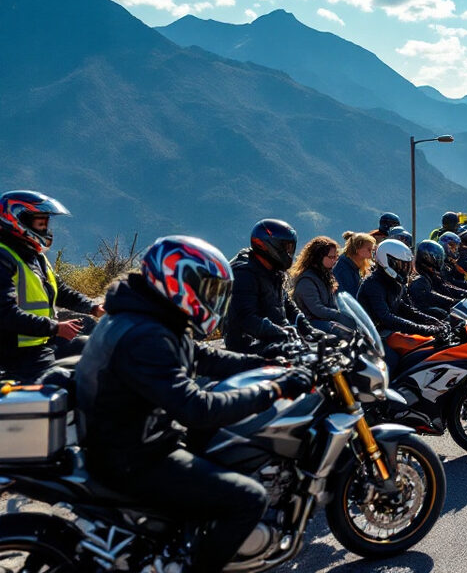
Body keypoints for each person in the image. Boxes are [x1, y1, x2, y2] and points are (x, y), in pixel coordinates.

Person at [76, 236, 312, 573]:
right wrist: (275, 389)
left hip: (130, 437)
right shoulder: (147, 334)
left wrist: (263, 363)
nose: (211, 299)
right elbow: (198, 409)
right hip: (134, 456)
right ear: (177, 282)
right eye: (206, 289)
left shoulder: (148, 316)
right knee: (249, 498)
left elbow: (201, 356)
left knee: (224, 449)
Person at [0, 190, 104, 382]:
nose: (45, 229)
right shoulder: (4, 258)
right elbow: (5, 313)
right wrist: (55, 327)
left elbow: (61, 291)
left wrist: (94, 307)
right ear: (17, 220)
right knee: (78, 382)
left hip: (41, 345)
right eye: (41, 224)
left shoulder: (34, 256)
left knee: (92, 348)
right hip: (16, 356)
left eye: (46, 224)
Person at [223, 219, 312, 357]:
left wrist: (307, 328)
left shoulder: (272, 270)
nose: (288, 252)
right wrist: (281, 332)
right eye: (285, 247)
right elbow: (247, 318)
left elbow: (287, 304)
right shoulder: (244, 273)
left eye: (290, 247)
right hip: (249, 347)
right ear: (266, 245)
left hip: (276, 340)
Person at [356, 240, 444, 359]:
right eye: (402, 265)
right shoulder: (373, 284)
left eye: (407, 265)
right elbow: (386, 317)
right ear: (388, 261)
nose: (405, 269)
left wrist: (431, 320)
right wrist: (424, 329)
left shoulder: (394, 281)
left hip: (389, 332)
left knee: (427, 346)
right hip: (372, 336)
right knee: (395, 360)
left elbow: (404, 307)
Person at [289, 236, 356, 335]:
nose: (334, 260)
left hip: (324, 321)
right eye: (331, 257)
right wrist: (338, 315)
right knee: (343, 333)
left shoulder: (324, 276)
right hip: (308, 325)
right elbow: (317, 309)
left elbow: (332, 304)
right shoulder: (307, 280)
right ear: (319, 257)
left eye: (336, 257)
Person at [333, 231, 374, 298]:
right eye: (369, 249)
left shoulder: (354, 264)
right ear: (357, 248)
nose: (371, 253)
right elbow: (350, 296)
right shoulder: (343, 269)